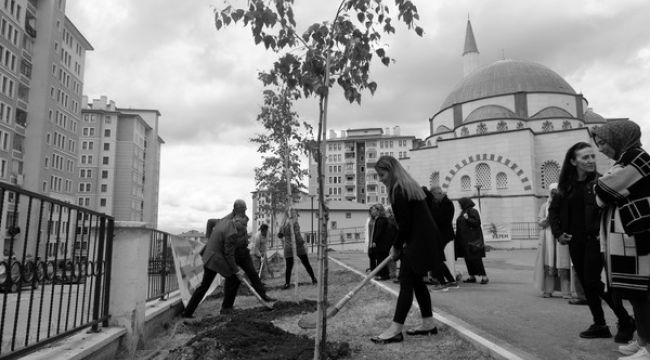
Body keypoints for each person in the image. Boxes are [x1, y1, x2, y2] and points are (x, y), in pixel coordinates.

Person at [548, 142, 635, 341]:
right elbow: (553, 211)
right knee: (588, 285)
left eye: (592, 157)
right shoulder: (565, 186)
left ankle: (625, 319)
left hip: (597, 240)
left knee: (593, 281)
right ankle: (600, 324)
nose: (590, 161)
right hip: (575, 242)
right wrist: (559, 233)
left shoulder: (600, 182)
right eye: (585, 157)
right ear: (573, 161)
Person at [592, 120, 650, 359]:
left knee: (643, 293)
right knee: (636, 293)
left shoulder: (637, 158)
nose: (601, 149)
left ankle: (648, 347)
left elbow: (604, 191)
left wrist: (602, 185)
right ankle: (644, 339)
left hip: (637, 235)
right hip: (629, 236)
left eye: (603, 142)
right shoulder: (626, 159)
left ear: (619, 138)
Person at [370, 156, 442, 344]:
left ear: (391, 171)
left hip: (419, 241)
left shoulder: (398, 191)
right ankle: (428, 323)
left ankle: (395, 329)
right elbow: (410, 224)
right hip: (425, 239)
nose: (380, 179)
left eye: (382, 174)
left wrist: (395, 247)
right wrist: (400, 246)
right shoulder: (408, 186)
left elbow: (405, 226)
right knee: (417, 282)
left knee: (406, 282)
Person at [182, 200, 275, 318]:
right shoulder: (231, 233)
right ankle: (226, 308)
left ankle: (188, 312)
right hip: (215, 259)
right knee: (231, 279)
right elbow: (229, 255)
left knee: (205, 285)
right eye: (242, 230)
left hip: (210, 255)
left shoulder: (226, 221)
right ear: (237, 226)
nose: (243, 232)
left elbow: (226, 249)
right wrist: (236, 271)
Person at [533, 183, 571, 298]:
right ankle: (548, 290)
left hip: (561, 236)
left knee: (563, 264)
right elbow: (540, 221)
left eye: (556, 192)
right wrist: (549, 218)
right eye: (553, 192)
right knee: (549, 263)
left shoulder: (565, 204)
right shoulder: (545, 206)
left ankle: (566, 292)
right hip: (548, 236)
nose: (555, 194)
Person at [425, 185, 458, 290]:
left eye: (434, 196)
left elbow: (441, 219)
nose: (433, 199)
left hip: (443, 234)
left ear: (438, 193)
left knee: (436, 258)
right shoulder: (443, 202)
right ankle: (451, 281)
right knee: (437, 258)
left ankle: (442, 283)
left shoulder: (447, 203)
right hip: (442, 234)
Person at [278, 208, 317, 289]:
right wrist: (303, 242)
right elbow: (297, 235)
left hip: (288, 247)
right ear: (293, 214)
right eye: (296, 214)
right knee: (306, 264)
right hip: (298, 247)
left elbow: (280, 235)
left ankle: (287, 284)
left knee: (289, 266)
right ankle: (314, 279)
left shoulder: (283, 223)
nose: (297, 216)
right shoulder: (295, 222)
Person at [455, 197, 489, 284]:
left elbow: (477, 222)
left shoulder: (472, 211)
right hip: (465, 241)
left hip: (473, 241)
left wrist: (467, 218)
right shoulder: (463, 212)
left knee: (476, 259)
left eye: (460, 204)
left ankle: (484, 277)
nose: (459, 205)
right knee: (468, 259)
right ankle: (472, 276)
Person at [368, 204, 392, 280]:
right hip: (382, 244)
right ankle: (383, 274)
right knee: (381, 259)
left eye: (375, 210)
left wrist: (375, 241)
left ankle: (384, 275)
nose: (373, 211)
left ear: (379, 211)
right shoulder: (381, 219)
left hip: (382, 244)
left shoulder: (381, 220)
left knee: (381, 259)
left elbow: (379, 232)